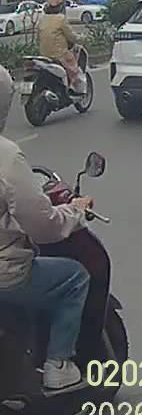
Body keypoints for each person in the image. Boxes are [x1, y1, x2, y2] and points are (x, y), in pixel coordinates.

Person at [0, 67, 95, 393]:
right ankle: (58, 366)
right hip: (5, 275)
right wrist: (75, 211)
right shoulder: (6, 157)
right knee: (74, 277)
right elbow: (43, 227)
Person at [36, 0, 86, 95]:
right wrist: (82, 38)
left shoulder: (42, 19)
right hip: (59, 55)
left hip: (43, 55)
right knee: (74, 69)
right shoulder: (61, 19)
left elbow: (38, 38)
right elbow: (71, 36)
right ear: (61, 6)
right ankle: (74, 88)